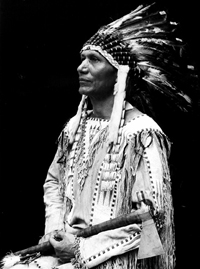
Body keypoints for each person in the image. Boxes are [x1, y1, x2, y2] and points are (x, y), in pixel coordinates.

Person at [2, 2, 199, 269]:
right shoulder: (74, 127)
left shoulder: (142, 133)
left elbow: (152, 217)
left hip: (116, 257)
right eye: (82, 59)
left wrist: (82, 249)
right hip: (68, 249)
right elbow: (54, 183)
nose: (81, 68)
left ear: (120, 73)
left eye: (94, 59)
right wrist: (54, 231)